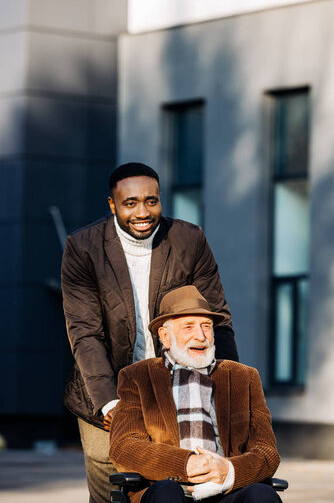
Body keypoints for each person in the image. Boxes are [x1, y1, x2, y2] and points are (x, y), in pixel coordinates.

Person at [61, 162, 238, 503]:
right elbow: (85, 333)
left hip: (178, 388)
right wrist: (110, 402)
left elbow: (217, 319)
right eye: (130, 203)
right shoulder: (83, 247)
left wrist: (227, 385)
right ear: (112, 204)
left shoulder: (189, 239)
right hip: (105, 392)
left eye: (151, 201)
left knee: (176, 489)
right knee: (114, 491)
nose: (142, 212)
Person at [109, 285, 281, 503]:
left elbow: (267, 451)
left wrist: (229, 470)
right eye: (188, 327)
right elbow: (124, 447)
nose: (200, 336)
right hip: (168, 489)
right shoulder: (138, 376)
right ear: (165, 336)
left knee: (262, 495)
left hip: (224, 491)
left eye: (206, 326)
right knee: (167, 493)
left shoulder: (244, 377)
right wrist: (186, 463)